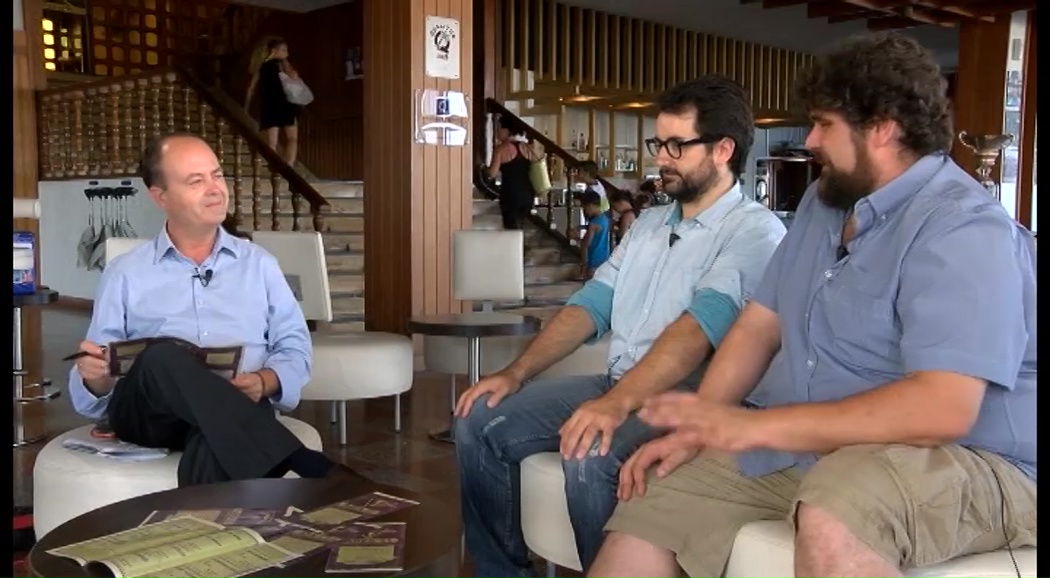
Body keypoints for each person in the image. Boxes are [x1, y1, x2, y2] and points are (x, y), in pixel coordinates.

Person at [592, 32, 1037, 578]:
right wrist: (700, 428)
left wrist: (757, 428)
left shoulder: (962, 229)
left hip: (973, 458)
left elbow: (941, 409)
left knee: (837, 510)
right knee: (654, 506)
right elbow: (759, 324)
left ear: (881, 127)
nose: (811, 140)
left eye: (825, 124)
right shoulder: (825, 203)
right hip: (818, 447)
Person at [454, 75, 787, 577]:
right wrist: (516, 373)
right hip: (619, 380)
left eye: (676, 146)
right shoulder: (650, 224)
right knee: (478, 417)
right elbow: (591, 304)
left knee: (592, 451)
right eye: (659, 143)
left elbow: (698, 329)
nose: (661, 158)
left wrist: (616, 403)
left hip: (686, 397)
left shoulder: (755, 231)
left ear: (723, 150)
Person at [67, 133, 357, 487]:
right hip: (151, 417)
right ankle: (300, 459)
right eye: (196, 181)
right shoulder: (125, 272)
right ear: (160, 197)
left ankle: (203, 522)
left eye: (217, 175)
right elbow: (96, 380)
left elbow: (294, 345)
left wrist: (265, 381)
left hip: (240, 402)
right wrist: (95, 376)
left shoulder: (259, 264)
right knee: (163, 356)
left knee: (218, 433)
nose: (215, 189)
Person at [245, 37, 301, 167]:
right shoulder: (284, 65)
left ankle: (273, 168)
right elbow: (295, 78)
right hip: (286, 104)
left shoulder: (262, 66)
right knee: (292, 138)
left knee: (272, 143)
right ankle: (289, 166)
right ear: (274, 51)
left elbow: (251, 88)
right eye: (284, 50)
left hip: (269, 105)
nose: (286, 52)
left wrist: (246, 106)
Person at [487, 117, 541, 230]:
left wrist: (484, 170)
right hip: (527, 193)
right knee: (522, 226)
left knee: (510, 228)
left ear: (507, 130)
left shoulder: (501, 149)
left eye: (499, 128)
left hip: (510, 194)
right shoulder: (527, 147)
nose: (497, 131)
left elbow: (492, 174)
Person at [577, 190, 612, 280]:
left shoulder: (593, 223)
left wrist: (582, 271)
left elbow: (586, 245)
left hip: (593, 260)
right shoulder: (604, 218)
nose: (584, 211)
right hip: (604, 258)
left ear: (590, 205)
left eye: (584, 208)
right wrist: (580, 227)